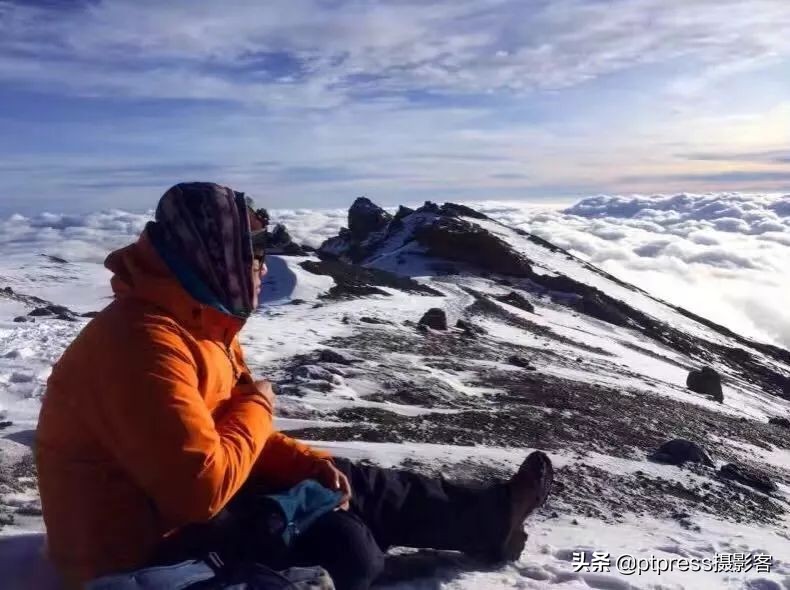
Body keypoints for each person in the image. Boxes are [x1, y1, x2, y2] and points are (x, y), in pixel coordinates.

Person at [35, 182, 554, 590]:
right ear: (213, 255)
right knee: (345, 545)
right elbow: (197, 489)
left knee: (340, 478)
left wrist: (308, 464)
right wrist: (258, 404)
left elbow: (225, 438)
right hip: (142, 559)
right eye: (252, 253)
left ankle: (493, 518)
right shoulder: (143, 343)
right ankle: (372, 557)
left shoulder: (196, 323)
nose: (262, 267)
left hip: (177, 513)